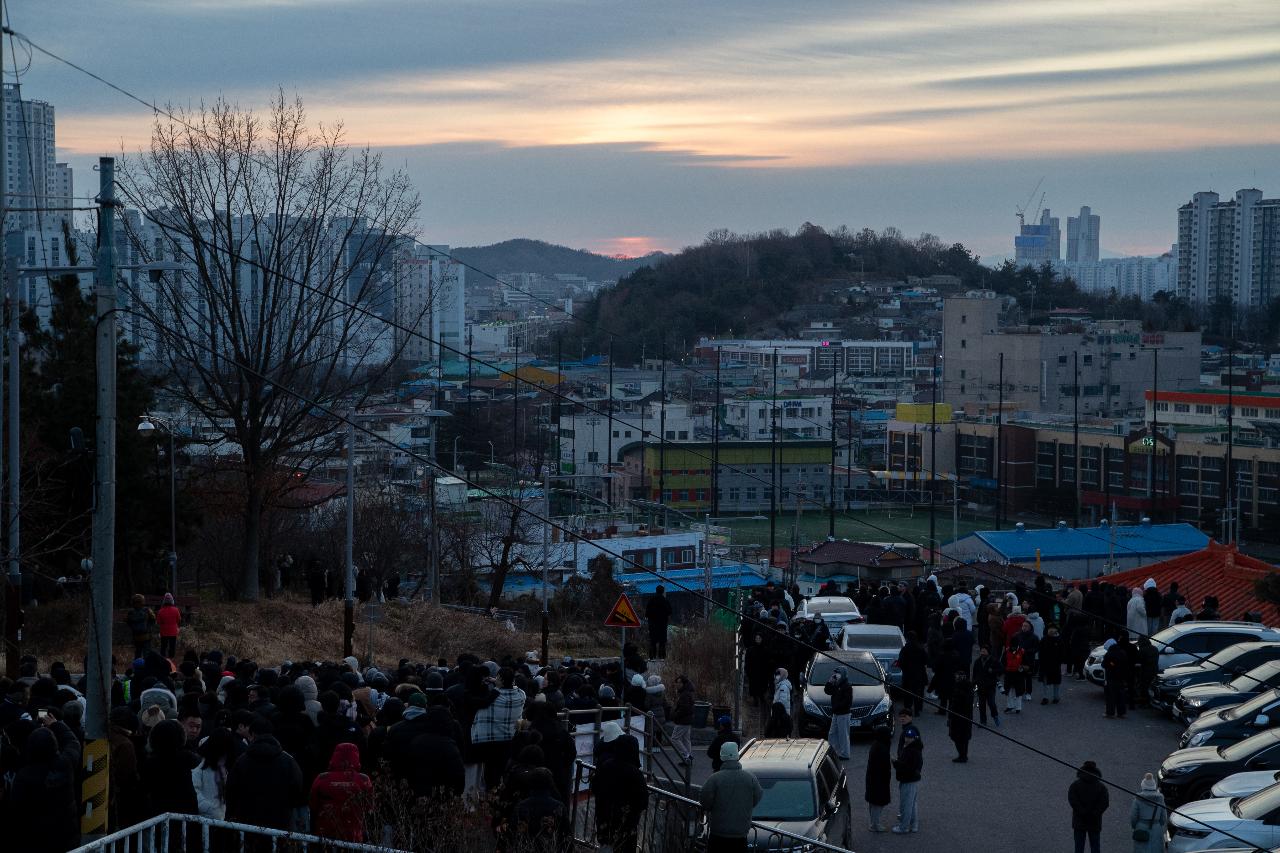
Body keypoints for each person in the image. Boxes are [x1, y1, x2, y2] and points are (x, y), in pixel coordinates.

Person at [9, 719, 83, 853]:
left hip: (36, 841)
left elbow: (16, 811)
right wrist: (57, 724)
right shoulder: (66, 764)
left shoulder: (24, 776)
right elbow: (73, 743)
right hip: (66, 837)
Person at [226, 717, 306, 831]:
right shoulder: (288, 761)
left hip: (248, 822)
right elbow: (297, 789)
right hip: (280, 821)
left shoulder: (242, 761)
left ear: (252, 735)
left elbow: (231, 790)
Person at [699, 741, 764, 853]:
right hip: (741, 834)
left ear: (722, 757)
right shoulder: (750, 778)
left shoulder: (715, 778)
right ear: (737, 756)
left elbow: (704, 800)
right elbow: (758, 796)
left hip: (718, 833)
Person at [591, 735, 649, 853]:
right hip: (626, 826)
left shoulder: (605, 766)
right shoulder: (635, 774)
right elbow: (643, 801)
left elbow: (595, 788)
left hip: (605, 821)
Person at [310, 742, 373, 843]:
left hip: (325, 834)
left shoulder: (322, 778)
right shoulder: (363, 780)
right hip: (354, 835)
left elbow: (313, 805)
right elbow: (369, 808)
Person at [192, 728, 235, 820]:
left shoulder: (223, 768)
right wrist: (212, 809)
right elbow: (195, 795)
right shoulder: (199, 768)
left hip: (218, 820)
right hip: (205, 820)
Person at [1068, 760, 1109, 853]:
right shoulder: (1101, 787)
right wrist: (1094, 814)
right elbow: (1104, 803)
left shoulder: (1075, 785)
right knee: (1095, 847)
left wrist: (1083, 812)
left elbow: (1072, 801)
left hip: (1079, 821)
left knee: (1079, 848)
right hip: (1095, 821)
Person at [891, 719, 923, 834]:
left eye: (910, 737)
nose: (907, 739)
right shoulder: (916, 748)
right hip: (912, 779)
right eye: (906, 737)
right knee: (912, 804)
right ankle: (914, 825)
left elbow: (906, 767)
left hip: (908, 780)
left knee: (906, 805)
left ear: (914, 738)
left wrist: (895, 762)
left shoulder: (911, 750)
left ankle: (903, 827)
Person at [1129, 773, 1167, 853]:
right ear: (1154, 786)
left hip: (1141, 827)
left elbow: (1133, 817)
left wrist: (1135, 826)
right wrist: (1158, 825)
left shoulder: (1138, 799)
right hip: (1156, 828)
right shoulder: (1160, 799)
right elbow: (1163, 818)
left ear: (1143, 785)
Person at [865, 725, 892, 833]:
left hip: (873, 779)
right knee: (878, 803)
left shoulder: (876, 745)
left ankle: (873, 823)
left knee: (873, 802)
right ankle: (875, 825)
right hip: (879, 780)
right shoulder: (881, 748)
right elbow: (883, 766)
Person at [824, 667, 853, 761]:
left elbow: (847, 701)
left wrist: (836, 707)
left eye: (838, 673)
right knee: (832, 733)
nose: (836, 675)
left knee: (843, 734)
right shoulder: (836, 684)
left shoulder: (847, 686)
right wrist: (830, 682)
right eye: (835, 673)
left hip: (843, 714)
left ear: (843, 674)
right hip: (836, 713)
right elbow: (827, 691)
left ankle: (845, 754)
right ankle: (832, 752)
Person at [948, 670, 974, 763]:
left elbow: (967, 701)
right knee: (958, 737)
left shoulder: (966, 687)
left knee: (961, 737)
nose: (957, 678)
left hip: (962, 716)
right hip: (957, 715)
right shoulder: (957, 686)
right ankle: (963, 755)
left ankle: (963, 755)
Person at [972, 645, 1001, 727]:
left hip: (990, 686)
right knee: (981, 704)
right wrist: (973, 684)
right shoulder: (977, 662)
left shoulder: (993, 661)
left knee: (991, 703)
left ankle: (995, 716)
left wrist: (993, 671)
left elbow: (1001, 669)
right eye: (981, 651)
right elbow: (974, 674)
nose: (982, 653)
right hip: (980, 686)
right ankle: (983, 721)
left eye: (984, 651)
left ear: (988, 652)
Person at [669, 674, 695, 763]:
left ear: (684, 683)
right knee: (686, 739)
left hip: (683, 721)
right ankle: (688, 757)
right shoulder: (687, 692)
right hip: (688, 720)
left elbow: (684, 708)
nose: (677, 684)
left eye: (679, 683)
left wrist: (675, 715)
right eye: (677, 682)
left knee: (674, 738)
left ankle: (686, 755)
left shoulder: (684, 694)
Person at [1102, 638, 1129, 719]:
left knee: (1110, 696)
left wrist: (1111, 664)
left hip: (1111, 677)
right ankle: (1121, 713)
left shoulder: (1109, 654)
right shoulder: (1123, 652)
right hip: (1121, 677)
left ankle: (1110, 713)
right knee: (1121, 695)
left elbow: (1104, 664)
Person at [1039, 624, 1065, 705]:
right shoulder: (1044, 639)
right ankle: (1045, 697)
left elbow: (1062, 652)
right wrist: (1041, 661)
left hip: (1056, 664)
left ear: (1056, 630)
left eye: (1053, 628)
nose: (1051, 630)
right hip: (1045, 663)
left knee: (1056, 681)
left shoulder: (1059, 640)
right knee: (1045, 681)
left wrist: (1061, 661)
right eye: (1049, 628)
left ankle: (1056, 697)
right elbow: (1040, 651)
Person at [645, 585, 673, 660]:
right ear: (663, 591)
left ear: (656, 590)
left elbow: (647, 613)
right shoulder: (665, 601)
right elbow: (670, 611)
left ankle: (652, 657)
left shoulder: (651, 600)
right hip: (662, 624)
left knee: (652, 641)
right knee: (662, 641)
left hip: (652, 624)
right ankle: (662, 657)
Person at [126, 594, 157, 659]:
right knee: (146, 653)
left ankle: (137, 664)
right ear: (143, 601)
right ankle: (147, 664)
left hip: (136, 636)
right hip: (146, 636)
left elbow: (128, 621)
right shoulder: (147, 610)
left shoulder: (131, 612)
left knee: (137, 652)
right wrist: (150, 627)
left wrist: (133, 627)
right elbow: (153, 618)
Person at [765, 668, 792, 738]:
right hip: (779, 714)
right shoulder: (780, 685)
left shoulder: (783, 687)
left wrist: (776, 712)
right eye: (776, 675)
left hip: (780, 714)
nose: (776, 676)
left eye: (778, 675)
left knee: (780, 731)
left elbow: (783, 702)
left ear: (782, 676)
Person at [156, 593, 182, 658]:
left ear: (164, 601)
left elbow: (158, 622)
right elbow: (179, 620)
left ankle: (163, 658)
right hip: (173, 631)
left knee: (163, 646)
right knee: (172, 646)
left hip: (164, 632)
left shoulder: (160, 611)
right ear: (172, 600)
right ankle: (171, 658)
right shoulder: (176, 610)